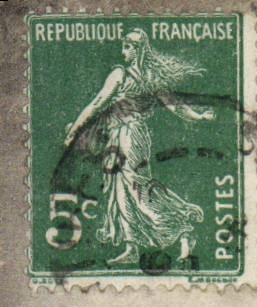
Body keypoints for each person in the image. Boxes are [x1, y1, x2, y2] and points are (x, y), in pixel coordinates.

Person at [62, 29, 214, 266]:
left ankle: (183, 230)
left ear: (136, 49)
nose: (124, 52)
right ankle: (132, 246)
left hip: (128, 136)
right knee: (123, 189)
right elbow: (176, 106)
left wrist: (74, 130)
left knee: (134, 188)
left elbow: (98, 103)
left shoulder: (120, 74)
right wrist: (199, 116)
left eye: (127, 47)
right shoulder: (152, 77)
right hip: (128, 135)